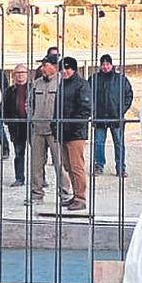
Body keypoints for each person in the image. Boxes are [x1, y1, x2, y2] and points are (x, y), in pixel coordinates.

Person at [26, 53, 68, 205]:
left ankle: (65, 194)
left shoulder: (62, 83)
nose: (42, 68)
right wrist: (33, 117)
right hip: (37, 130)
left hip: (55, 131)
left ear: (54, 67)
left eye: (45, 65)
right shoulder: (36, 83)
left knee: (60, 164)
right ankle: (36, 195)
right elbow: (29, 103)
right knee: (36, 165)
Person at [89, 53, 134, 176]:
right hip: (99, 117)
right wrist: (92, 111)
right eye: (103, 64)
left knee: (119, 143)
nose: (105, 66)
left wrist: (121, 110)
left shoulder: (121, 79)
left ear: (111, 65)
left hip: (116, 117)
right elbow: (87, 95)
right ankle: (99, 165)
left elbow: (128, 95)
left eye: (107, 64)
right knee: (98, 143)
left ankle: (120, 167)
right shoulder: (94, 79)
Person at [56, 56, 92, 211]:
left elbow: (85, 109)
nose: (64, 71)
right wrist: (55, 124)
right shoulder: (63, 84)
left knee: (76, 166)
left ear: (74, 69)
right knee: (67, 165)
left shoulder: (81, 85)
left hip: (75, 132)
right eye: (62, 69)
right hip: (63, 131)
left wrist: (72, 125)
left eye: (67, 68)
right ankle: (75, 195)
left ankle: (81, 197)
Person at [2, 63, 31, 187]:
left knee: (38, 154)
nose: (20, 75)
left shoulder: (33, 88)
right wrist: (8, 122)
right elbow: (5, 108)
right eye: (18, 73)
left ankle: (41, 179)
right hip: (16, 126)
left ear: (27, 74)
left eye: (23, 73)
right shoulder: (9, 90)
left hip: (31, 125)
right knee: (19, 153)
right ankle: (19, 177)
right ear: (14, 75)